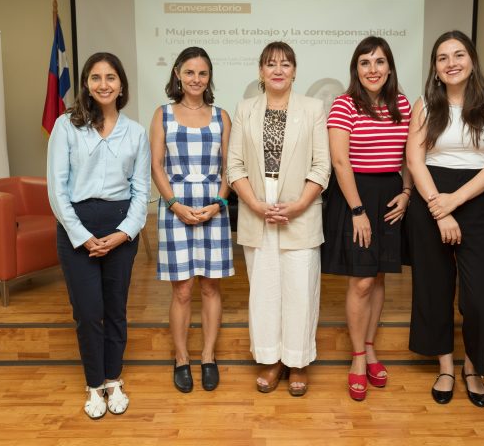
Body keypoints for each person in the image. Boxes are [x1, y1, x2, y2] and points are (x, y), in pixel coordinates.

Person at [406, 30, 484, 408]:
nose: (451, 63)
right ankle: (446, 366)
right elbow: (414, 160)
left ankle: (472, 366)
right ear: (435, 67)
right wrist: (438, 207)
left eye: (459, 55)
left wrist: (456, 201)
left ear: (472, 60)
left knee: (481, 299)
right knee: (434, 290)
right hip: (431, 194)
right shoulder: (425, 104)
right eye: (442, 57)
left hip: (477, 199)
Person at [47, 52, 151, 419]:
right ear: (87, 85)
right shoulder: (66, 126)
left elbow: (142, 191)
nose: (103, 84)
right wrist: (83, 236)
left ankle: (112, 378)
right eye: (96, 78)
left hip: (120, 227)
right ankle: (94, 385)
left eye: (111, 77)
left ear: (121, 84)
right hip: (77, 227)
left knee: (115, 310)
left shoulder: (136, 132)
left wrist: (123, 233)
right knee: (88, 312)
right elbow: (57, 190)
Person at [227, 41, 330, 397]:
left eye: (285, 64)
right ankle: (270, 360)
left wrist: (300, 203)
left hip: (300, 210)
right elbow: (234, 165)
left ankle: (298, 361)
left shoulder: (314, 108)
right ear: (260, 71)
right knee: (265, 291)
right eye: (270, 64)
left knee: (301, 289)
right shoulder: (245, 110)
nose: (278, 70)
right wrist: (254, 203)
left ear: (295, 71)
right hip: (258, 209)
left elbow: (322, 165)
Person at [321, 36, 412, 401]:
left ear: (389, 67)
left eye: (379, 62)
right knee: (360, 281)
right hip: (354, 194)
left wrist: (406, 193)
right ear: (355, 69)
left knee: (377, 277)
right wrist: (358, 210)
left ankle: (371, 346)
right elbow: (340, 161)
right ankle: (358, 357)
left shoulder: (402, 104)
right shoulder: (344, 105)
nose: (372, 69)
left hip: (391, 196)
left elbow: (410, 155)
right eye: (364, 63)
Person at [150, 46, 234, 393]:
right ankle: (181, 357)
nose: (196, 79)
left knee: (211, 286)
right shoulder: (163, 114)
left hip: (214, 206)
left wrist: (218, 203)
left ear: (209, 77)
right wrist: (174, 205)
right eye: (189, 72)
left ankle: (208, 356)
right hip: (176, 207)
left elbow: (231, 166)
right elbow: (156, 165)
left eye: (202, 73)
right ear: (177, 75)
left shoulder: (222, 116)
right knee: (183, 290)